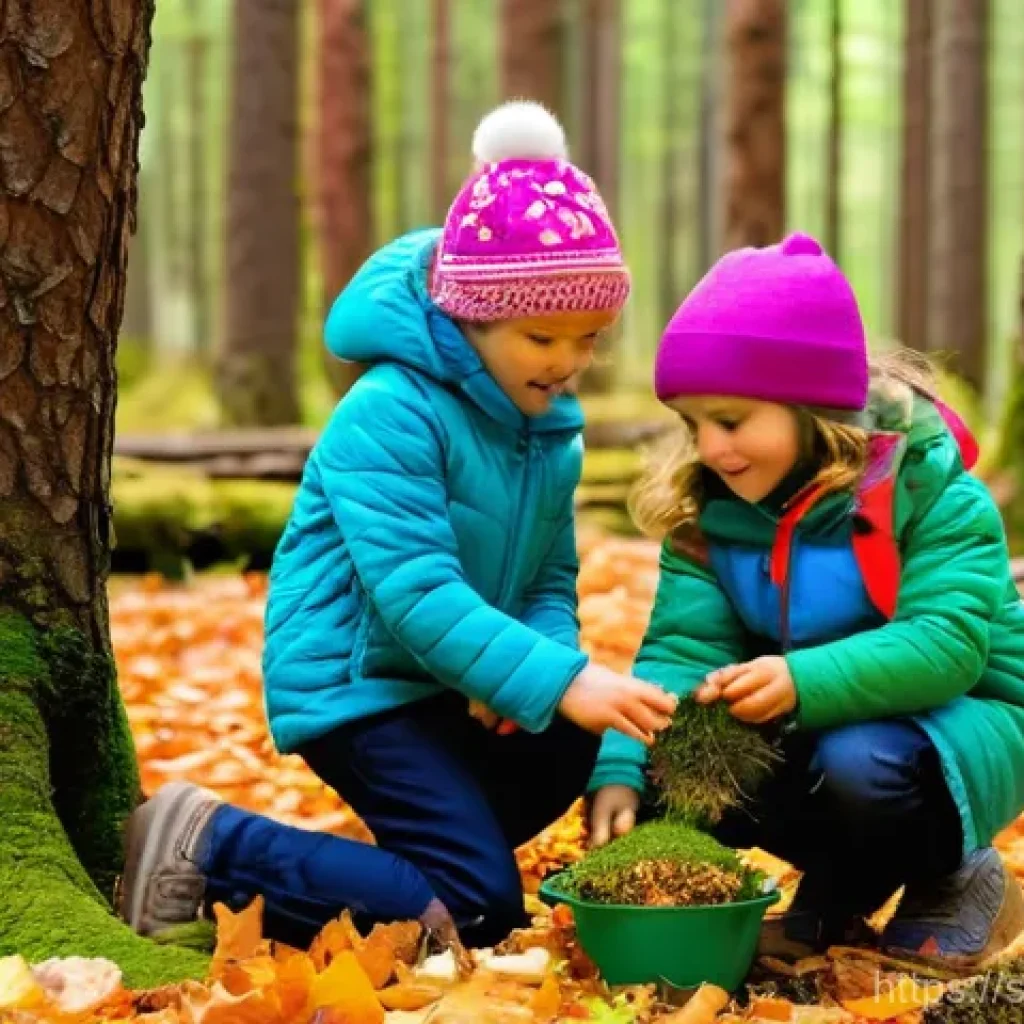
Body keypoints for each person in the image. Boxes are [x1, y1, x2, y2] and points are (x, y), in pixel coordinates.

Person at [117, 101, 676, 952]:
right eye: (541, 336)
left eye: (589, 339)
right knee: (479, 910)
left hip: (444, 681)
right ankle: (210, 844)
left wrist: (537, 680)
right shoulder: (390, 410)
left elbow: (548, 583)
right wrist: (555, 679)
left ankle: (414, 866)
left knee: (572, 733)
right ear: (469, 318)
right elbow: (414, 592)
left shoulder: (548, 429)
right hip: (360, 685)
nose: (566, 363)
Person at [587, 231, 1024, 968]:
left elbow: (948, 644)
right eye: (694, 425)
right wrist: (623, 767)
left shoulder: (928, 491)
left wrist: (798, 680)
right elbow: (680, 652)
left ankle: (953, 876)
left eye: (731, 420)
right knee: (682, 766)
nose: (713, 449)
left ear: (812, 406)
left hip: (959, 726)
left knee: (861, 761)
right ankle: (835, 898)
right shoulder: (711, 518)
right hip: (810, 719)